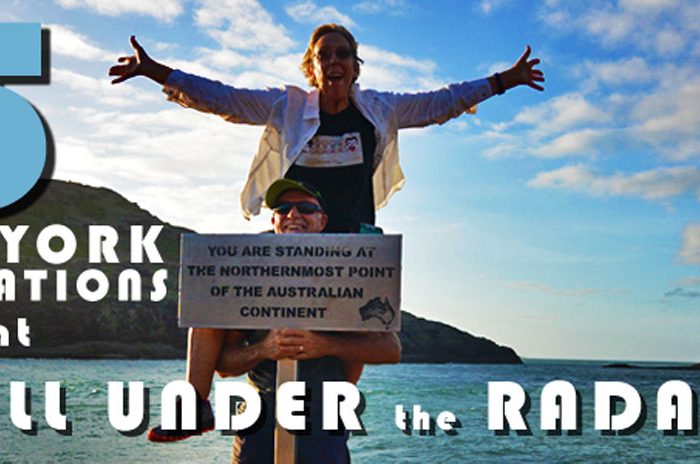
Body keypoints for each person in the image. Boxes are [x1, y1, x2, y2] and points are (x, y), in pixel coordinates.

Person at [109, 23, 544, 233]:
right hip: (295, 231)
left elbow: (440, 102)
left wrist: (504, 80)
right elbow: (225, 98)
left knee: (358, 333)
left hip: (355, 232)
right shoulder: (288, 106)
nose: (333, 61)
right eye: (324, 56)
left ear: (355, 66)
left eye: (342, 54)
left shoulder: (379, 110)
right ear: (313, 68)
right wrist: (157, 72)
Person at [149, 179, 401, 464]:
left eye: (305, 208)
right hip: (258, 419)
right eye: (283, 208)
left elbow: (390, 350)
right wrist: (264, 349)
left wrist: (324, 345)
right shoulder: (246, 272)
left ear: (323, 221)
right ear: (273, 219)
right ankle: (194, 406)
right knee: (205, 299)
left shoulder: (349, 274)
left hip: (326, 419)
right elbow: (225, 366)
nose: (293, 215)